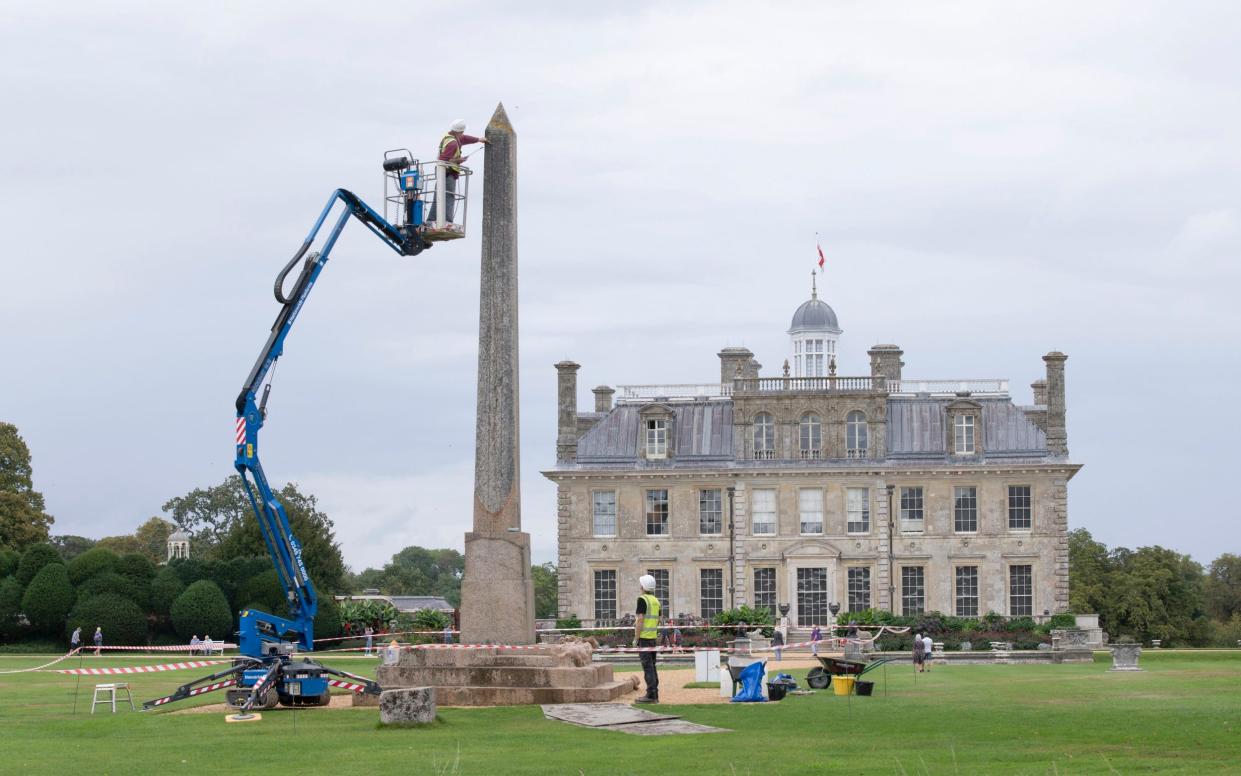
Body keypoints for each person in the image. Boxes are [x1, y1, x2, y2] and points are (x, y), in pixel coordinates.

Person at [428, 119, 487, 225]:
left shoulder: (449, 137)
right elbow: (442, 160)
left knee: (438, 196)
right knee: (449, 196)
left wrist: (479, 139)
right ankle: (447, 221)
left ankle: (431, 220)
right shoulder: (453, 144)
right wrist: (458, 160)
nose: (463, 134)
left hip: (443, 172)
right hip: (447, 172)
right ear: (459, 131)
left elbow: (465, 139)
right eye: (462, 132)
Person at [633, 574, 661, 704]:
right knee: (652, 666)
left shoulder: (642, 599)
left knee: (647, 667)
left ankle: (651, 695)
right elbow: (658, 620)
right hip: (653, 638)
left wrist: (636, 638)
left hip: (644, 638)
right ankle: (654, 693)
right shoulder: (656, 601)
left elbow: (640, 620)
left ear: (643, 586)